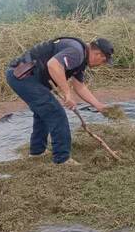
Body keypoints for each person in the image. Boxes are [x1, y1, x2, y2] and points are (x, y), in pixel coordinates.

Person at [6, 37, 114, 165]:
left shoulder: (80, 58)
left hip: (25, 77)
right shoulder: (77, 52)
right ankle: (62, 159)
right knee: (56, 113)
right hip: (23, 76)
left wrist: (99, 106)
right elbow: (54, 64)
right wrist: (67, 94)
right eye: (103, 61)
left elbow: (79, 86)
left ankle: (37, 152)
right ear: (98, 54)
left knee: (44, 113)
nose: (101, 65)